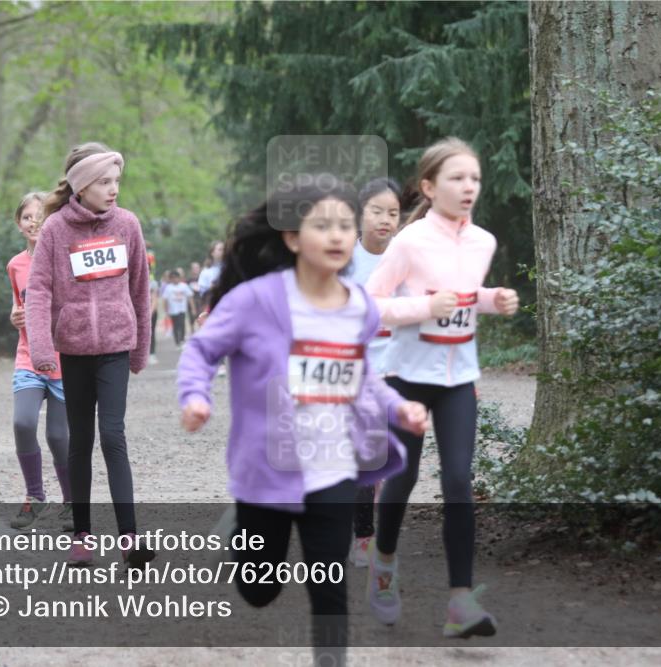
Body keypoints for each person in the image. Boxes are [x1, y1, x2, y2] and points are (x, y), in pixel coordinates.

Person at [177, 175, 428, 665]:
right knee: (259, 590)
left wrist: (398, 407)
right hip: (267, 473)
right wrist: (194, 397)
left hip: (331, 469)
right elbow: (202, 351)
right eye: (322, 226)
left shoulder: (357, 305)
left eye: (344, 226)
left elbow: (364, 373)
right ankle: (238, 530)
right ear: (292, 237)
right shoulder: (256, 301)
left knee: (329, 589)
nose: (338, 236)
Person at [365, 138, 519, 637]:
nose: (468, 187)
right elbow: (370, 306)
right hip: (407, 378)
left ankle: (460, 603)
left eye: (474, 178)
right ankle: (384, 567)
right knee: (403, 478)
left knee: (458, 482)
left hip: (459, 379)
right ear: (429, 188)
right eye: (456, 178)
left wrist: (493, 299)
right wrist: (421, 310)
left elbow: (465, 300)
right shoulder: (408, 243)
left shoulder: (484, 242)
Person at [25, 141, 155, 568]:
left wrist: (141, 348)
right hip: (75, 349)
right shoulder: (56, 230)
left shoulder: (128, 224)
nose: (113, 189)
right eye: (104, 182)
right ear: (82, 187)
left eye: (117, 181)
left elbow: (140, 289)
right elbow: (40, 291)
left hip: (116, 346)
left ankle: (130, 538)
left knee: (113, 436)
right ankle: (81, 536)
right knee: (80, 440)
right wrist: (42, 348)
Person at [6, 191, 71, 530]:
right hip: (28, 357)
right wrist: (14, 317)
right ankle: (35, 497)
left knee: (60, 437)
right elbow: (18, 305)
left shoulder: (63, 260)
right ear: (19, 223)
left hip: (63, 360)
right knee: (23, 423)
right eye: (28, 217)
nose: (34, 222)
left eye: (40, 216)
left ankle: (72, 501)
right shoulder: (15, 265)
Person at [347, 178, 402, 566]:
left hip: (400, 368)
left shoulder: (408, 257)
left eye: (393, 213)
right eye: (376, 211)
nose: (385, 220)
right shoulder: (344, 259)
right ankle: (363, 536)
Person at [162, 269, 194, 347]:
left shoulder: (184, 286)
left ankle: (182, 340)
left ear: (179, 278)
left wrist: (193, 308)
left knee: (182, 324)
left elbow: (190, 297)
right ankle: (177, 342)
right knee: (175, 326)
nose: (175, 279)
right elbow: (165, 300)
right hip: (173, 310)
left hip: (182, 309)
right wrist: (166, 311)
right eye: (172, 278)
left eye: (176, 277)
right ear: (170, 279)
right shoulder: (168, 288)